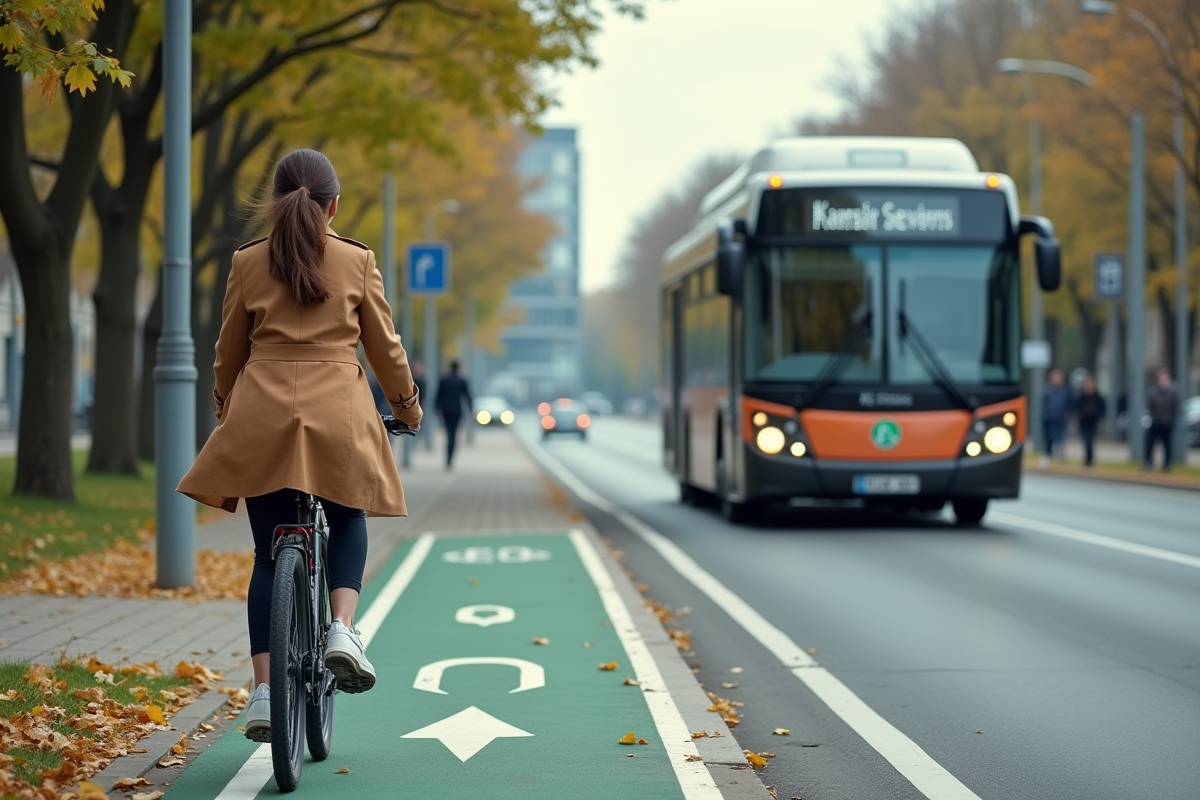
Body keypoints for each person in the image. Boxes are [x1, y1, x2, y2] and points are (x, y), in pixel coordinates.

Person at [176, 149, 422, 742]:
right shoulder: (356, 261)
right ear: (333, 205)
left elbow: (227, 353)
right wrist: (407, 409)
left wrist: (225, 408)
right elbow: (385, 350)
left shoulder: (247, 262)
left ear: (279, 200)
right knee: (349, 512)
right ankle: (341, 629)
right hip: (338, 412)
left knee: (267, 556)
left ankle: (264, 694)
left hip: (261, 414)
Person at [435, 359, 472, 470]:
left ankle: (448, 459)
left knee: (448, 434)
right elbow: (468, 396)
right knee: (454, 434)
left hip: (446, 411)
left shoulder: (443, 380)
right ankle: (450, 459)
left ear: (450, 367)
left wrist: (436, 408)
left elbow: (438, 395)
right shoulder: (462, 380)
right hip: (457, 411)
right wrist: (471, 409)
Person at [1145, 367, 1180, 472]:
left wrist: (1172, 419)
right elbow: (1149, 405)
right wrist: (1153, 416)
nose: (1162, 380)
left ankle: (1167, 465)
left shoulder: (1173, 391)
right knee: (1149, 443)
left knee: (1167, 445)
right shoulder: (1153, 391)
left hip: (1167, 423)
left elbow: (1176, 406)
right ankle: (1148, 463)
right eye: (1161, 378)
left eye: (1165, 378)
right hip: (1155, 422)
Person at [1041, 368, 1072, 468]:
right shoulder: (1047, 391)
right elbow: (1043, 405)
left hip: (1061, 419)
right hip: (1049, 419)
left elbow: (1069, 406)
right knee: (1049, 439)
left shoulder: (1066, 392)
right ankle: (1047, 456)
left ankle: (1060, 456)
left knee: (1060, 439)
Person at [1074, 374, 1106, 467]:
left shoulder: (1097, 397)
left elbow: (1102, 407)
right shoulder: (1081, 397)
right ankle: (1087, 459)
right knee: (1085, 440)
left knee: (1090, 440)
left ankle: (1090, 459)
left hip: (1093, 421)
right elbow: (1077, 407)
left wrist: (1099, 416)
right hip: (1083, 422)